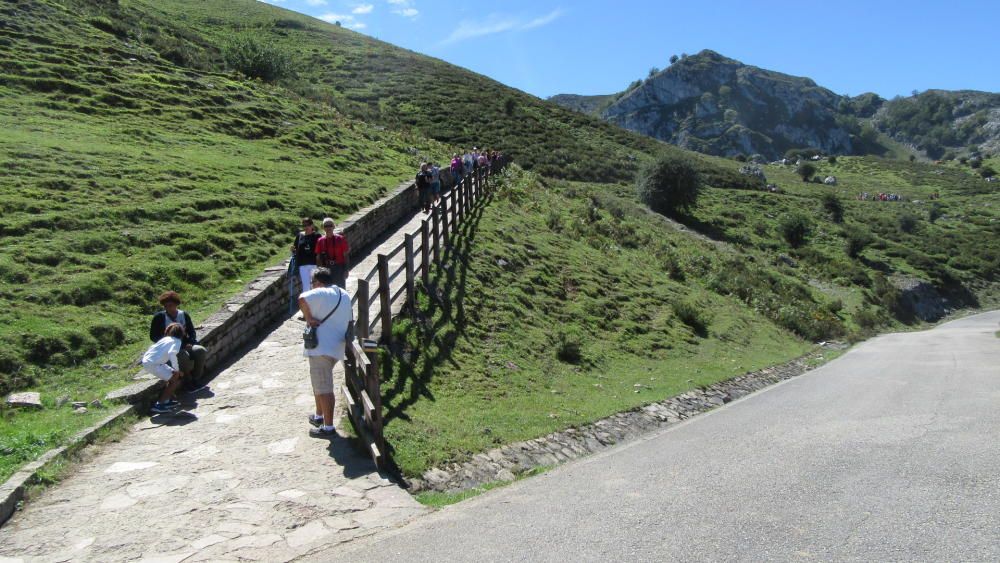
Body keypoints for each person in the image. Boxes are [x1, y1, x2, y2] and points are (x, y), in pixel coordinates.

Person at [298, 268, 353, 438]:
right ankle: (319, 416)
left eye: (312, 283)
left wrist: (308, 318)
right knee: (320, 384)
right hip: (337, 346)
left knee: (324, 388)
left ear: (319, 283)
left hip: (321, 347)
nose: (312, 287)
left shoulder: (321, 292)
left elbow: (301, 298)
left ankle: (328, 427)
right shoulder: (343, 294)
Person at [150, 291, 208, 391]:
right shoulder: (159, 318)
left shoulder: (183, 315)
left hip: (185, 344)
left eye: (170, 305)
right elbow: (153, 336)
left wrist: (191, 342)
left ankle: (196, 378)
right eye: (166, 306)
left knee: (200, 350)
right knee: (183, 355)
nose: (168, 308)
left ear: (176, 304)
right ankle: (188, 381)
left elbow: (191, 331)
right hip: (169, 348)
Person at [142, 322, 186, 414]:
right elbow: (172, 354)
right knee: (175, 380)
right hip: (154, 364)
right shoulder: (177, 341)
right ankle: (159, 404)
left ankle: (166, 401)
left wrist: (174, 370)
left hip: (150, 361)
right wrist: (177, 370)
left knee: (172, 377)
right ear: (182, 334)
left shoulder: (165, 339)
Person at [316, 217, 350, 289]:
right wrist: (320, 271)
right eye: (326, 226)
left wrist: (346, 270)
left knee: (340, 289)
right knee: (328, 290)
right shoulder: (320, 241)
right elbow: (318, 257)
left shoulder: (340, 239)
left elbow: (346, 255)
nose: (328, 228)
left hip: (339, 268)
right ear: (323, 228)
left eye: (330, 225)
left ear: (333, 226)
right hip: (326, 268)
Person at [291, 217, 321, 296]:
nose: (305, 227)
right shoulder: (300, 236)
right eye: (304, 225)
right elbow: (296, 249)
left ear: (312, 225)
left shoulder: (317, 236)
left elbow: (320, 249)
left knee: (314, 285)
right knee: (306, 286)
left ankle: (316, 302)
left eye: (307, 225)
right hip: (303, 265)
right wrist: (293, 250)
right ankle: (307, 304)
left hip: (314, 264)